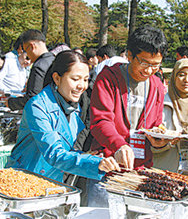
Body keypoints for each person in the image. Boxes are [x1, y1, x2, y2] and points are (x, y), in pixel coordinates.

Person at [6, 50, 120, 182]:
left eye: (85, 80)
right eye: (75, 79)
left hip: (51, 183)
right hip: (24, 181)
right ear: (57, 78)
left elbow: (66, 150)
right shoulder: (37, 106)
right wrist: (93, 163)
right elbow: (54, 153)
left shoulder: (74, 107)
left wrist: (87, 156)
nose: (81, 86)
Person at [88, 25, 168, 207]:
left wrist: (158, 139)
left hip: (139, 171)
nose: (149, 70)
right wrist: (119, 145)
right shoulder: (109, 78)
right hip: (108, 168)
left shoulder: (156, 85)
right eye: (144, 63)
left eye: (155, 65)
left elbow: (155, 124)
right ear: (130, 55)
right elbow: (100, 120)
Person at [7, 29, 55, 111]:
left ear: (32, 46)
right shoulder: (54, 59)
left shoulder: (39, 66)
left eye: (25, 50)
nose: (27, 55)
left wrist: (10, 103)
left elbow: (32, 99)